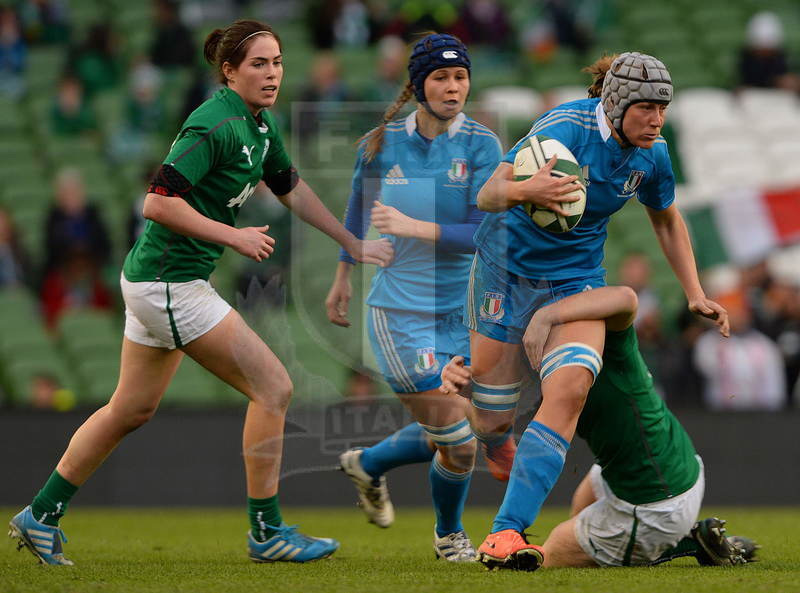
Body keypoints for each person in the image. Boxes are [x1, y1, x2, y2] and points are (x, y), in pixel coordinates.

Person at [8, 19, 393, 566]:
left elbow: (290, 188)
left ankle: (40, 514)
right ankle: (267, 531)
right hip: (170, 284)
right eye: (258, 64)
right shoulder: (214, 122)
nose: (272, 73)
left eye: (278, 62)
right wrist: (231, 235)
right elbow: (157, 203)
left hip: (159, 282)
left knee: (130, 409)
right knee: (274, 389)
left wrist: (348, 241)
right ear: (229, 71)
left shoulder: (259, 125)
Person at [461, 52, 729, 570]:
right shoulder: (562, 129)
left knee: (571, 386)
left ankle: (504, 534)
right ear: (618, 102)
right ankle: (483, 433)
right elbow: (488, 193)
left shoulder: (653, 155)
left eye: (663, 108)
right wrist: (527, 189)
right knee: (492, 420)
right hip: (505, 274)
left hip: (575, 281)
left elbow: (667, 221)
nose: (656, 118)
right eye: (647, 107)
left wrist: (694, 292)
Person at [325, 33, 502, 562]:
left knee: (451, 430)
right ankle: (450, 537)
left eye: (461, 77)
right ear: (419, 85)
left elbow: (482, 234)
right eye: (441, 78)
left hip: (459, 313)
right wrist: (345, 270)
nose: (453, 87)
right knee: (460, 438)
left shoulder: (482, 145)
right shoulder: (382, 142)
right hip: (401, 313)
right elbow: (359, 203)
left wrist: (409, 224)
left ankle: (369, 464)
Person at [440, 286, 757, 568]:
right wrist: (462, 393)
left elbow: (626, 297)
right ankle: (668, 540)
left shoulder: (592, 322)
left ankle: (677, 543)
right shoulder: (539, 357)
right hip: (667, 465)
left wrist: (547, 316)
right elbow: (491, 425)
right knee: (581, 505)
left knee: (544, 558)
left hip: (657, 501)